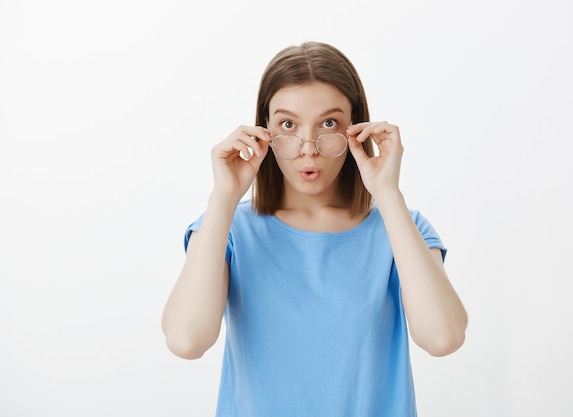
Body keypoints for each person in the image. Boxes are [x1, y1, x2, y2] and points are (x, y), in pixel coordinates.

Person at [162, 41, 467, 416]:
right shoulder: (228, 230)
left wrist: (387, 193)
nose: (309, 148)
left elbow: (443, 337)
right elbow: (186, 340)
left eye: (328, 123)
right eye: (288, 125)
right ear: (265, 131)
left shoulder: (402, 228)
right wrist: (223, 197)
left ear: (355, 128)